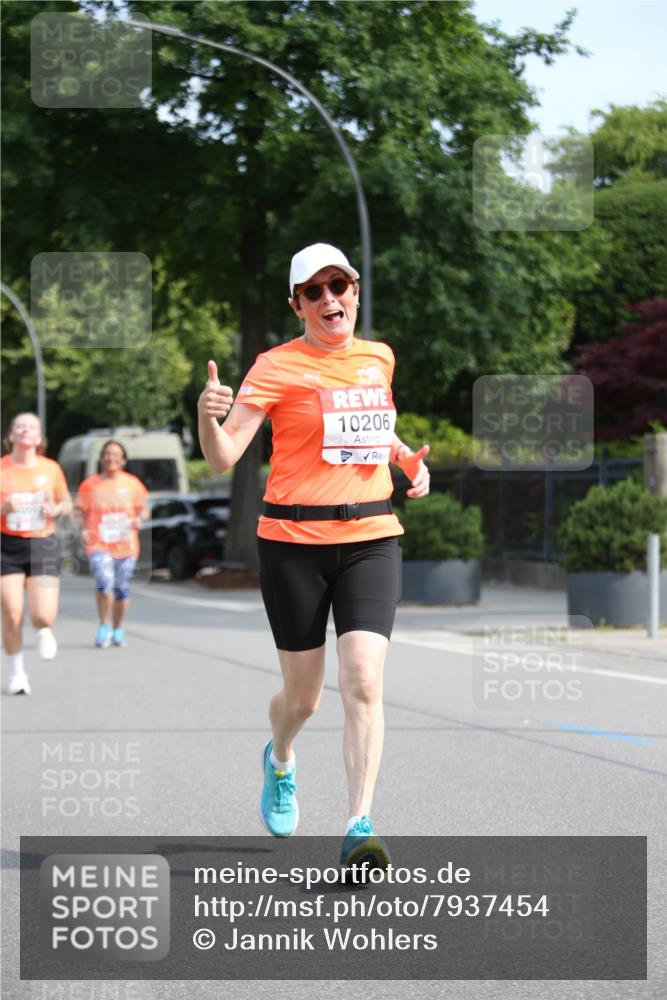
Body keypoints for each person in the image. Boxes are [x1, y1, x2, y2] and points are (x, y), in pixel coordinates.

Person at [198, 242, 429, 868]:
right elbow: (224, 456)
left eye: (340, 286)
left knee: (364, 680)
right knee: (304, 698)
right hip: (294, 545)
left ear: (355, 291)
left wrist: (403, 458)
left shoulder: (378, 358)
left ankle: (358, 823)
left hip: (372, 537)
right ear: (298, 304)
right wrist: (206, 415)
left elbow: (371, 427)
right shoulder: (274, 367)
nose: (331, 299)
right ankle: (280, 757)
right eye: (316, 291)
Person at [1, 412, 71, 695]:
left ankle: (43, 630)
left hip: (43, 543)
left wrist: (55, 509)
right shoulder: (1, 468)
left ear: (40, 438)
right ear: (10, 436)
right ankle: (17, 674)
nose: (24, 430)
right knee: (12, 612)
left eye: (31, 427)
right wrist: (5, 508)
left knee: (42, 615)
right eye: (19, 426)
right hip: (7, 544)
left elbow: (66, 502)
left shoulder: (51, 468)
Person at [75, 440, 149, 649]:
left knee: (122, 589)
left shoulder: (132, 483)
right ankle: (103, 625)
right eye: (107, 454)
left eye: (116, 455)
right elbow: (79, 511)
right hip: (99, 544)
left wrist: (139, 519)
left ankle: (118, 629)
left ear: (123, 460)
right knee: (104, 581)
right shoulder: (90, 485)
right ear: (101, 458)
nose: (111, 458)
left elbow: (144, 509)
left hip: (126, 545)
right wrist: (83, 529)